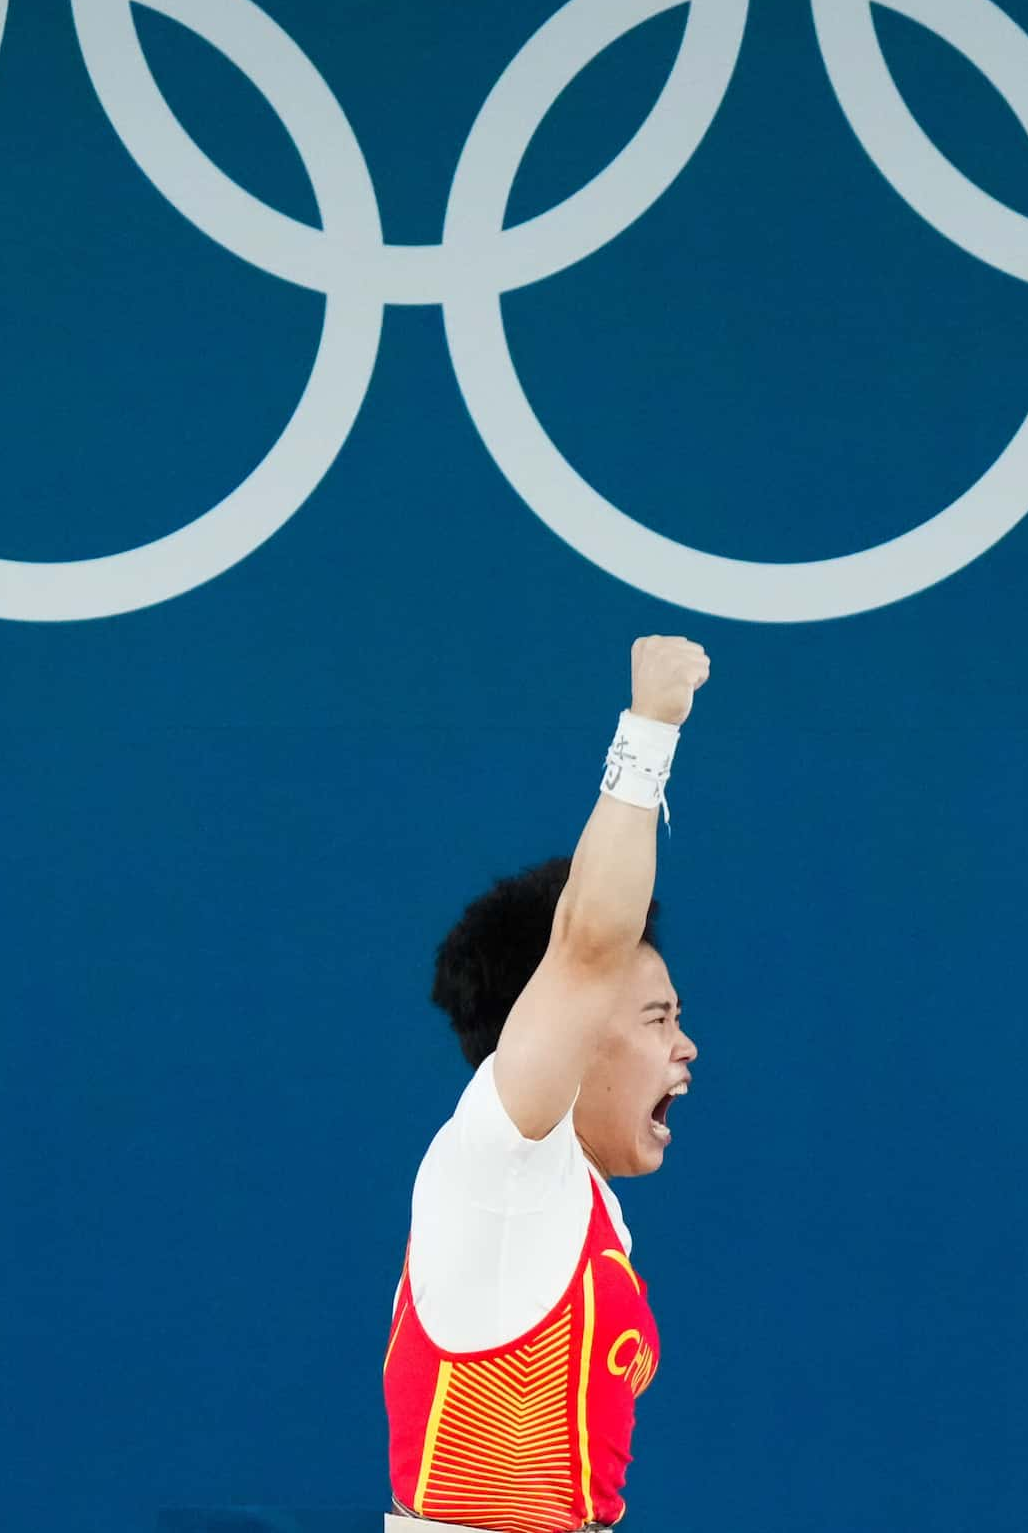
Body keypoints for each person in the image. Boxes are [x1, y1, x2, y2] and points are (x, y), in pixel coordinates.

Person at [382, 636, 709, 1533]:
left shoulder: (569, 1196)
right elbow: (588, 942)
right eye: (657, 1018)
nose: (687, 1049)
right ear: (564, 1029)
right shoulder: (504, 1162)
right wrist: (649, 732)